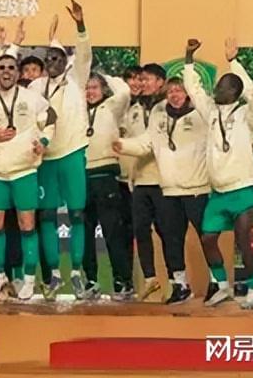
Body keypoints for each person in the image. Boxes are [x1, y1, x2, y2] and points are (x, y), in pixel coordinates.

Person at [183, 39, 253, 309]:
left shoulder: (246, 114)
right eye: (218, 85)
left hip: (242, 187)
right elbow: (194, 89)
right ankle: (222, 286)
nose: (217, 89)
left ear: (235, 91)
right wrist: (188, 59)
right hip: (218, 190)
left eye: (223, 86)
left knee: (243, 239)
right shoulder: (210, 112)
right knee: (208, 238)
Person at [115, 66, 210, 305]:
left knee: (204, 234)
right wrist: (122, 145)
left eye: (179, 91)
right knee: (170, 235)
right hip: (166, 186)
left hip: (194, 186)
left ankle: (217, 281)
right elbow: (146, 142)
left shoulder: (202, 114)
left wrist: (189, 62)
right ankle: (178, 283)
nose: (175, 95)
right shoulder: (154, 114)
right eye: (172, 92)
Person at [0, 50, 57, 301]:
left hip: (24, 170)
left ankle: (29, 278)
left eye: (11, 67)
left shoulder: (32, 98)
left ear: (18, 72)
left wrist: (44, 141)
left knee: (27, 225)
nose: (6, 72)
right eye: (2, 68)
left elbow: (51, 119)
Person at [28, 1, 92, 297]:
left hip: (72, 153)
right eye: (48, 58)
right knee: (46, 216)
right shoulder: (34, 87)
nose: (52, 61)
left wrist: (80, 25)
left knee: (77, 214)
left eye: (57, 57)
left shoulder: (76, 78)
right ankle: (53, 274)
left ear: (65, 60)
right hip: (45, 159)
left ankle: (76, 273)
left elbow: (85, 53)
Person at [79, 68, 135, 300]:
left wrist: (104, 74)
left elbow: (124, 91)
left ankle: (122, 281)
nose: (90, 92)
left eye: (94, 87)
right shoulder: (77, 111)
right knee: (84, 234)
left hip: (106, 176)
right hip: (81, 176)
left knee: (113, 233)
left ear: (103, 89)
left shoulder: (112, 107)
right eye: (86, 88)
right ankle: (91, 281)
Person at [121, 62, 169, 300]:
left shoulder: (168, 108)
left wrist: (123, 145)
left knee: (167, 231)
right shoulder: (133, 110)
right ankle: (150, 279)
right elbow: (131, 140)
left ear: (160, 82)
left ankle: (177, 280)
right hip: (140, 180)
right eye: (140, 79)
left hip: (163, 180)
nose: (142, 83)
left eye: (147, 79)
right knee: (140, 230)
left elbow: (148, 144)